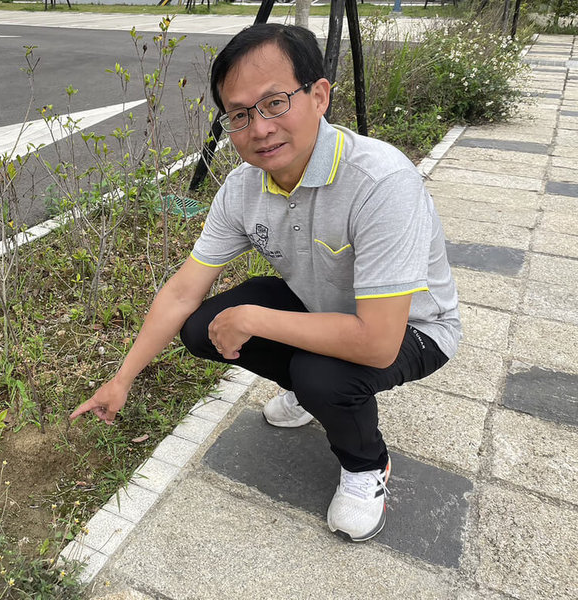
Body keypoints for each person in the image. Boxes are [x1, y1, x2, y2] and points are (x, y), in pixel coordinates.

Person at [70, 23, 460, 543]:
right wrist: (123, 378)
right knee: (201, 326)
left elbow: (376, 341)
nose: (259, 129)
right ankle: (307, 389)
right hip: (321, 306)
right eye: (239, 114)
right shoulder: (243, 187)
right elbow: (184, 291)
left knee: (324, 374)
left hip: (414, 328)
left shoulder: (382, 183)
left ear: (319, 95)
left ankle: (367, 464)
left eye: (275, 103)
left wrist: (252, 318)